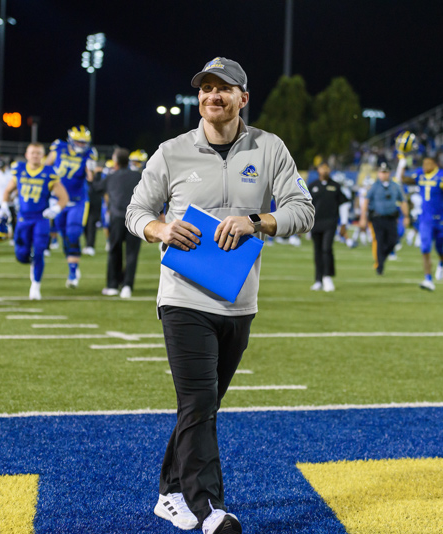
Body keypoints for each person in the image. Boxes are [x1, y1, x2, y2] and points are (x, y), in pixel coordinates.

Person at [125, 57, 314, 534]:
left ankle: (169, 493)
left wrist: (257, 222)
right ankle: (208, 508)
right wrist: (161, 228)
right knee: (198, 399)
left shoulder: (269, 148)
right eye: (206, 89)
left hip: (238, 299)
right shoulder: (171, 151)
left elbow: (302, 209)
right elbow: (136, 210)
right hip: (183, 297)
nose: (213, 96)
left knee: (202, 405)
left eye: (224, 89)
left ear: (242, 98)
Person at [0, 143, 68, 300]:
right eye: (32, 153)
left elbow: (63, 197)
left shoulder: (49, 173)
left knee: (39, 251)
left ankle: (36, 285)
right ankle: (31, 261)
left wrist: (55, 209)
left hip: (40, 219)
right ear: (26, 154)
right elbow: (8, 190)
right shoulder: (19, 169)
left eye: (38, 153)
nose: (35, 155)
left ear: (43, 155)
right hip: (23, 218)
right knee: (21, 254)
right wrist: (3, 205)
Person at [45, 125, 98, 288]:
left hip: (78, 200)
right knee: (64, 235)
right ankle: (72, 264)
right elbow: (46, 166)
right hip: (58, 199)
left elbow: (90, 178)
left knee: (73, 233)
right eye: (78, 142)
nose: (82, 145)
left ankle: (73, 273)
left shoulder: (90, 154)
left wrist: (91, 168)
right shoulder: (59, 148)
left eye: (84, 142)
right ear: (70, 140)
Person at [399, 155, 443, 291]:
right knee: (425, 248)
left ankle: (442, 262)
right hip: (425, 219)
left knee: (439, 248)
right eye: (424, 164)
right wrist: (402, 163)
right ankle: (428, 279)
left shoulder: (441, 176)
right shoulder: (420, 176)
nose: (425, 166)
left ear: (434, 165)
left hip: (440, 219)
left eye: (428, 164)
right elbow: (402, 179)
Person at [92, 148, 144, 298]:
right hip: (135, 218)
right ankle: (127, 285)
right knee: (132, 253)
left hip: (117, 219)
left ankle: (113, 285)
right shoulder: (137, 176)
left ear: (115, 162)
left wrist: (96, 174)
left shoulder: (111, 177)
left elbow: (96, 188)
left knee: (115, 251)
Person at [359, 162, 408, 275]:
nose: (384, 174)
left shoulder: (395, 186)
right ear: (378, 173)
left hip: (391, 218)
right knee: (380, 241)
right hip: (377, 218)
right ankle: (380, 265)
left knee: (393, 240)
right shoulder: (374, 186)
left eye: (386, 172)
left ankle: (382, 258)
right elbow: (366, 201)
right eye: (382, 172)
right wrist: (363, 217)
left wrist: (406, 216)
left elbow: (403, 201)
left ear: (389, 173)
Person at [308, 162, 346, 290]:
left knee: (326, 248)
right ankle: (318, 279)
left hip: (330, 222)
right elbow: (306, 206)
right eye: (322, 168)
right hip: (315, 223)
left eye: (326, 168)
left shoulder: (335, 186)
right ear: (318, 169)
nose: (324, 170)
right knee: (317, 251)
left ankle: (327, 276)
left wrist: (344, 224)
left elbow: (344, 204)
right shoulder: (312, 186)